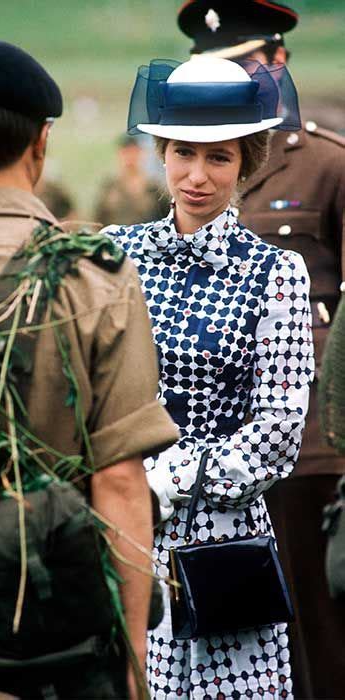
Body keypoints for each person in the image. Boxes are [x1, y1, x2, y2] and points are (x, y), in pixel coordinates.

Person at [0, 40, 179, 699]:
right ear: (40, 145)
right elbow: (121, 481)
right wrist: (134, 659)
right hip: (59, 631)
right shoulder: (93, 274)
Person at [103, 54, 313, 699]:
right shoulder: (114, 252)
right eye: (183, 154)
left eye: (219, 158)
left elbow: (279, 429)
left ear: (246, 164)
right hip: (124, 532)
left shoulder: (276, 272)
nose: (197, 176)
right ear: (161, 152)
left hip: (228, 544)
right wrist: (125, 488)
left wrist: (173, 480)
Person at [177, 2, 345, 697]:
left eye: (243, 65)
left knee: (316, 626)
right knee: (229, 633)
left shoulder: (327, 168)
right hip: (210, 449)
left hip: (308, 446)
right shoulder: (191, 173)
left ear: (276, 61)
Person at [94, 134, 169, 227]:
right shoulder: (109, 187)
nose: (130, 158)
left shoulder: (153, 187)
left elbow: (167, 216)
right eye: (126, 153)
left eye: (133, 152)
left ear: (141, 154)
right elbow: (98, 219)